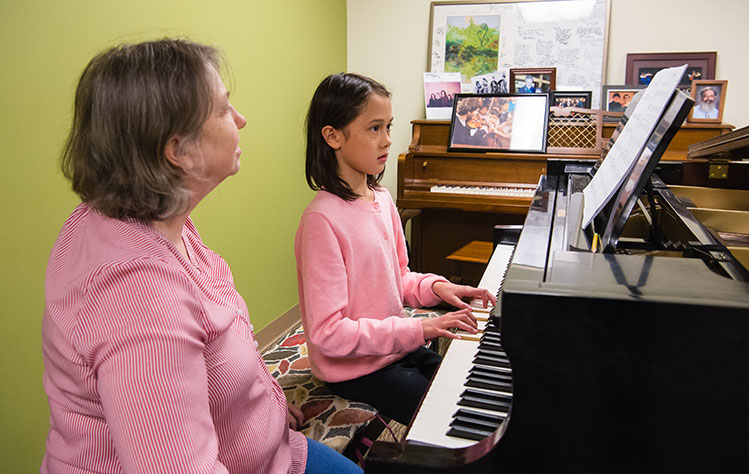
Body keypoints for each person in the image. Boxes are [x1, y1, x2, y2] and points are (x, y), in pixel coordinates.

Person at [41, 38, 362, 474]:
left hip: (270, 446)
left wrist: (263, 399)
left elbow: (216, 340)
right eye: (224, 109)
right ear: (180, 151)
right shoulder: (138, 299)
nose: (241, 120)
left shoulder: (151, 214)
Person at [295, 73, 495, 425]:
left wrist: (439, 288)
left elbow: (398, 276)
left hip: (391, 349)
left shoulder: (382, 199)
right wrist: (421, 330)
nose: (388, 140)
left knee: (470, 384)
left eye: (389, 126)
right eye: (374, 129)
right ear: (333, 136)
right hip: (355, 369)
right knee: (447, 417)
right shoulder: (321, 221)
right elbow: (328, 334)